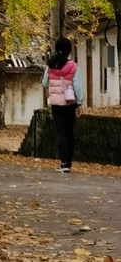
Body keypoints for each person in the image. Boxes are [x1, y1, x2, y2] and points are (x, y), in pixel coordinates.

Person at [42, 37, 84, 173]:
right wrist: (80, 102)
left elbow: (45, 83)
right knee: (69, 132)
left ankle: (63, 162)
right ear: (69, 51)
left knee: (60, 132)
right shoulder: (73, 66)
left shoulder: (50, 65)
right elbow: (77, 86)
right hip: (69, 103)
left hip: (56, 103)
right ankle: (69, 163)